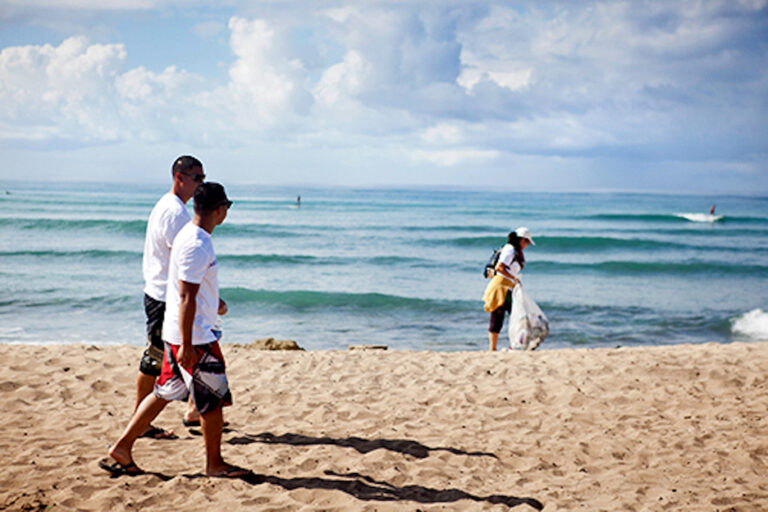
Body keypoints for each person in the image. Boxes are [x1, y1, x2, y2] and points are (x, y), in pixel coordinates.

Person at [100, 182, 247, 477]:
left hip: (178, 334)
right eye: (227, 207)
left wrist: (212, 303)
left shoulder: (188, 236)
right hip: (195, 338)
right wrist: (190, 345)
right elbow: (186, 296)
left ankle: (122, 447)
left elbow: (189, 290)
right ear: (219, 210)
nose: (226, 212)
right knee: (213, 401)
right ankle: (214, 464)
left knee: (164, 392)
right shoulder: (197, 243)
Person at [135, 155, 205, 439]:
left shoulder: (170, 206)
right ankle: (141, 421)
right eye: (197, 178)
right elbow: (184, 261)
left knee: (186, 353)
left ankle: (193, 410)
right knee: (156, 358)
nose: (201, 183)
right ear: (180, 178)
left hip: (160, 293)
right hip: (165, 297)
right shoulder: (175, 213)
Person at [482, 227, 535, 351]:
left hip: (509, 287)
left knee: (517, 315)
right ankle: (493, 348)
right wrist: (514, 278)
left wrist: (515, 281)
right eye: (527, 242)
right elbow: (499, 268)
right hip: (501, 286)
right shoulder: (510, 250)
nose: (527, 245)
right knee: (499, 316)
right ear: (522, 240)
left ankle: (516, 345)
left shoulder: (515, 250)